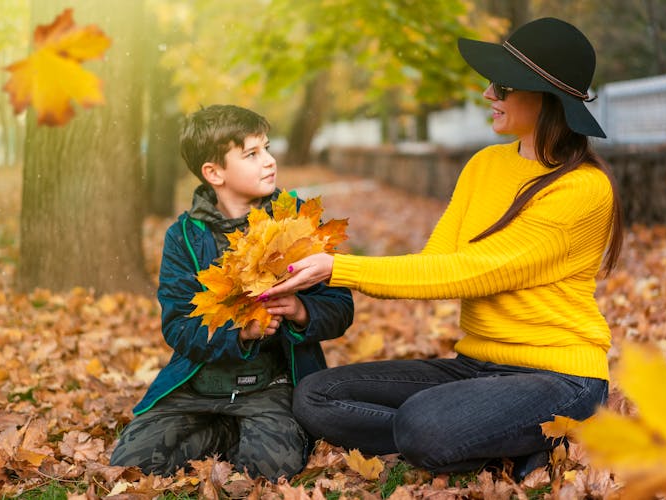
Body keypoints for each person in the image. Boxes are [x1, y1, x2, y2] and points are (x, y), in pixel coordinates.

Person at [260, 17, 623, 480]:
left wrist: (338, 269)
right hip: (474, 366)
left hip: (559, 378)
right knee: (314, 395)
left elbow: (475, 271)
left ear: (546, 99)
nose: (489, 95)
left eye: (503, 87)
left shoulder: (584, 188)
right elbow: (435, 265)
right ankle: (492, 441)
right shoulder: (484, 164)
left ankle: (490, 432)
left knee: (423, 424)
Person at [110, 105, 354, 480]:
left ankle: (252, 434)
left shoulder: (297, 220)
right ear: (214, 173)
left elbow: (339, 307)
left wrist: (301, 310)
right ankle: (222, 430)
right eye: (252, 154)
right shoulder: (184, 238)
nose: (269, 161)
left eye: (268, 148)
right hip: (200, 382)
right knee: (130, 463)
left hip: (271, 385)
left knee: (268, 472)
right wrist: (239, 333)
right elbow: (177, 325)